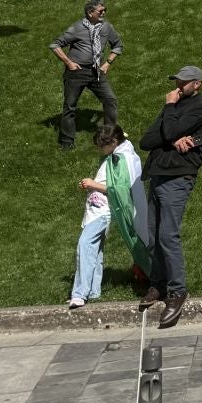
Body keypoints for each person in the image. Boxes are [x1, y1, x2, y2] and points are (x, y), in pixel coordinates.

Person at [139, 65, 202, 326]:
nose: (178, 86)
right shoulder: (172, 108)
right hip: (157, 174)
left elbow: (166, 132)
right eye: (177, 82)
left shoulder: (200, 108)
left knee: (168, 234)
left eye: (184, 82)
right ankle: (157, 284)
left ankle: (177, 291)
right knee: (153, 233)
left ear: (197, 84)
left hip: (177, 177)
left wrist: (169, 117)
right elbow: (146, 141)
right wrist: (172, 137)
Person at [70, 124, 145, 309]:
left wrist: (93, 185)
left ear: (112, 142)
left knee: (85, 246)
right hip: (97, 211)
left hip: (102, 212)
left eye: (101, 145)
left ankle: (80, 294)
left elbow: (119, 190)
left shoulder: (120, 159)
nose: (99, 149)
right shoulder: (114, 157)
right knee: (95, 251)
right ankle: (93, 291)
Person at [52, 0, 123, 150]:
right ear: (90, 13)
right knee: (70, 107)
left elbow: (117, 45)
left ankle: (110, 136)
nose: (104, 12)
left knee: (110, 100)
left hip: (97, 71)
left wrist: (107, 63)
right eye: (100, 11)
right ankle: (67, 142)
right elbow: (55, 45)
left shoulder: (106, 28)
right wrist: (69, 63)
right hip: (76, 73)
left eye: (105, 10)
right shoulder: (77, 28)